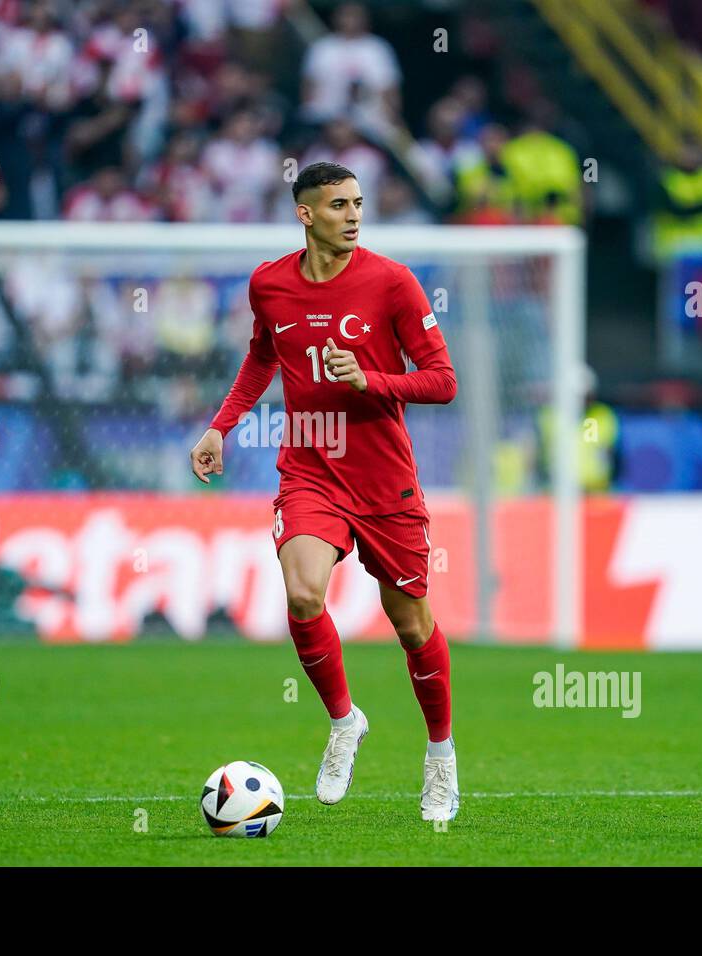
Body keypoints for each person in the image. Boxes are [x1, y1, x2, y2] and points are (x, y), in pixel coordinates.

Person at [189, 161, 460, 820]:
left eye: (359, 202)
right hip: (309, 468)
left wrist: (374, 381)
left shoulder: (392, 281)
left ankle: (441, 757)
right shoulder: (269, 284)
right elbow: (262, 357)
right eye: (339, 204)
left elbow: (443, 379)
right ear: (306, 214)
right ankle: (344, 722)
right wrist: (221, 427)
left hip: (383, 477)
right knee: (305, 593)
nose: (354, 214)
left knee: (410, 623)